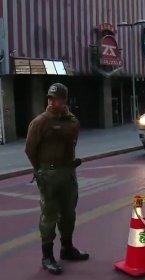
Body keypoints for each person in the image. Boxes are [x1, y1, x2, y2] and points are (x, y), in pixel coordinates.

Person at [25, 83, 89, 275]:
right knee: (49, 216)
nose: (52, 102)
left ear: (64, 101)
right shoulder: (40, 122)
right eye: (50, 99)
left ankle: (67, 249)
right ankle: (47, 256)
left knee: (69, 213)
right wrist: (40, 170)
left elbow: (74, 129)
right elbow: (30, 149)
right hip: (49, 175)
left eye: (57, 99)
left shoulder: (71, 120)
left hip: (68, 173)